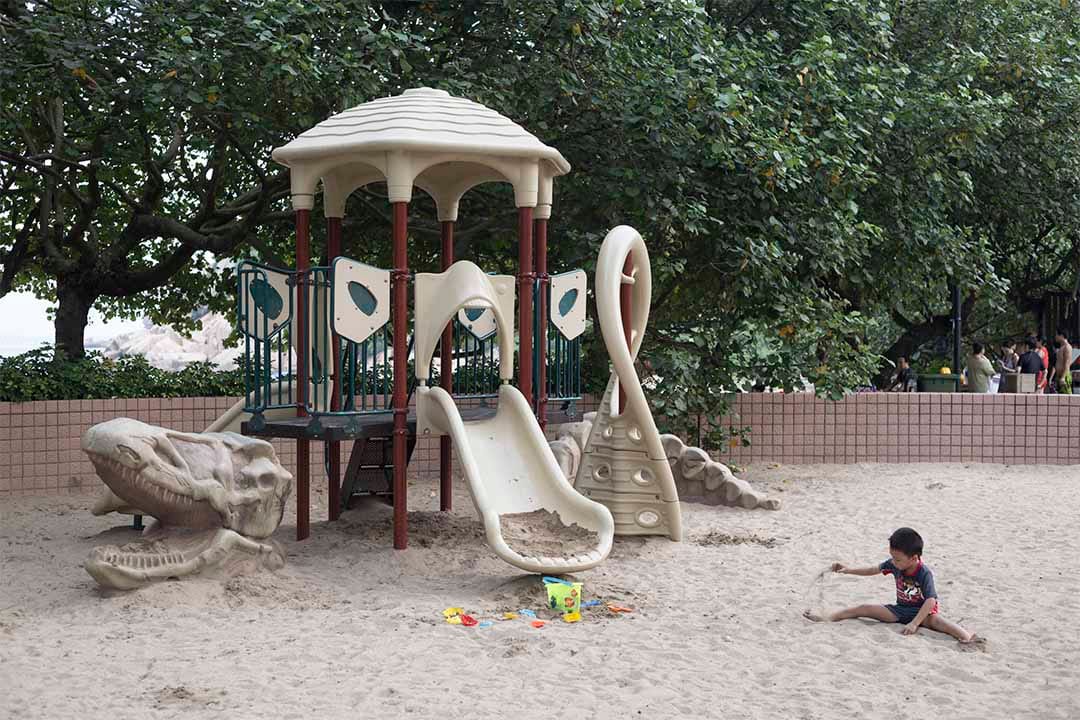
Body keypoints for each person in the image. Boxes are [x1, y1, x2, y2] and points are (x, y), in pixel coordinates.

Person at [803, 528, 981, 646]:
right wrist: (848, 570)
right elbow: (872, 570)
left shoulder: (923, 572)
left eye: (898, 559)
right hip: (899, 611)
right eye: (892, 558)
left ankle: (968, 638)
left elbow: (930, 601)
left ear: (914, 558)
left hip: (923, 614)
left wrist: (914, 624)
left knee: (941, 623)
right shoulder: (894, 564)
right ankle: (828, 617)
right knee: (864, 608)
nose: (893, 562)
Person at [1053, 330, 1073, 395]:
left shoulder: (1067, 347)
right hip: (1059, 377)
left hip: (1064, 377)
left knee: (1067, 398)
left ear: (1061, 336)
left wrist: (1063, 377)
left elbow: (1067, 364)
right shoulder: (1061, 347)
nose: (1055, 337)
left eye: (1057, 335)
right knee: (1060, 398)